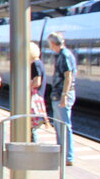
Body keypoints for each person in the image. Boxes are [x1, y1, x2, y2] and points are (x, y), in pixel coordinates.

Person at [48, 31, 77, 165]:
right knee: (59, 125)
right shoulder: (60, 55)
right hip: (58, 94)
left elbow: (68, 76)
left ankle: (68, 156)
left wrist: (64, 95)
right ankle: (62, 154)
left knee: (64, 125)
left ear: (53, 43)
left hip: (62, 94)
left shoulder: (64, 56)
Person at [29, 41, 47, 142]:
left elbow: (37, 82)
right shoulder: (39, 62)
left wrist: (27, 86)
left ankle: (33, 146)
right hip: (38, 97)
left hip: (34, 98)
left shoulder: (35, 63)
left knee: (32, 126)